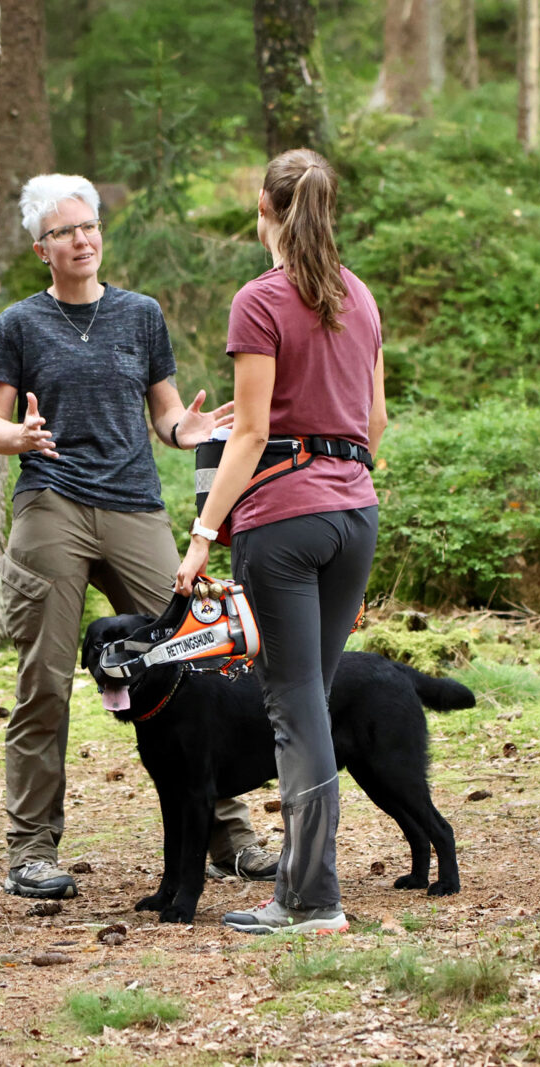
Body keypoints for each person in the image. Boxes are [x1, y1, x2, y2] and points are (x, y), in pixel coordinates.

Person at [0, 174, 279, 900]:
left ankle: (227, 834)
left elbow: (168, 414)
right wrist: (15, 434)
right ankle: (32, 849)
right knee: (45, 681)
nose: (82, 239)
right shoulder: (20, 323)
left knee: (197, 662)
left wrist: (190, 431)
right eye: (64, 232)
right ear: (40, 247)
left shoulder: (141, 314)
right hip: (51, 504)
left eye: (89, 226)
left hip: (136, 504)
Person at [176, 148, 388, 935]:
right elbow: (373, 425)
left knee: (293, 706)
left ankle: (308, 897)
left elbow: (255, 431)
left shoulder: (259, 300)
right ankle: (312, 887)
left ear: (262, 210)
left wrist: (201, 534)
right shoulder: (359, 297)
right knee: (314, 700)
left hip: (285, 523)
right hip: (355, 512)